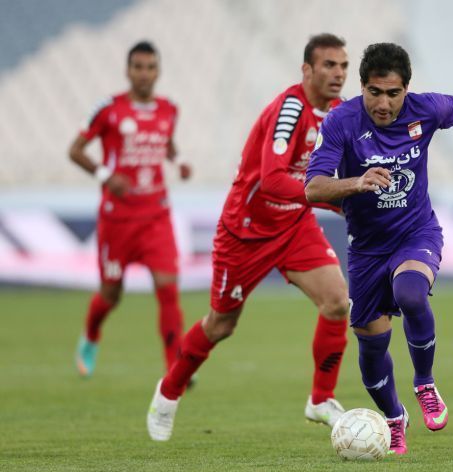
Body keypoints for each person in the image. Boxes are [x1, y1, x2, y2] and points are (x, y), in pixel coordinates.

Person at [304, 42, 453, 455]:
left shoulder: (427, 109)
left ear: (407, 89)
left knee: (410, 293)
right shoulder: (340, 121)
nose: (383, 103)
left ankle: (425, 383)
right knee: (371, 351)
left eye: (393, 93)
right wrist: (356, 182)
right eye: (374, 92)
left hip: (416, 232)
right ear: (362, 87)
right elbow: (313, 187)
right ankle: (394, 418)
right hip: (367, 249)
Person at [146, 33, 351, 441]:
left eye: (343, 66)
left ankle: (321, 398)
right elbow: (273, 180)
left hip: (294, 225)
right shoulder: (290, 110)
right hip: (247, 231)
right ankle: (168, 393)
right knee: (221, 324)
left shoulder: (339, 111)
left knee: (336, 302)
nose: (338, 73)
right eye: (329, 65)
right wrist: (335, 200)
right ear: (307, 69)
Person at [69, 41, 192, 378]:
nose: (144, 74)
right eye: (138, 67)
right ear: (127, 71)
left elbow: (165, 142)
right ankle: (91, 334)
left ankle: (175, 368)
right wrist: (106, 176)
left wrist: (179, 160)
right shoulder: (108, 109)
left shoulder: (169, 109)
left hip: (156, 214)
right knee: (111, 293)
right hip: (118, 218)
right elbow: (75, 150)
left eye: (150, 67)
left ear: (158, 71)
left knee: (168, 288)